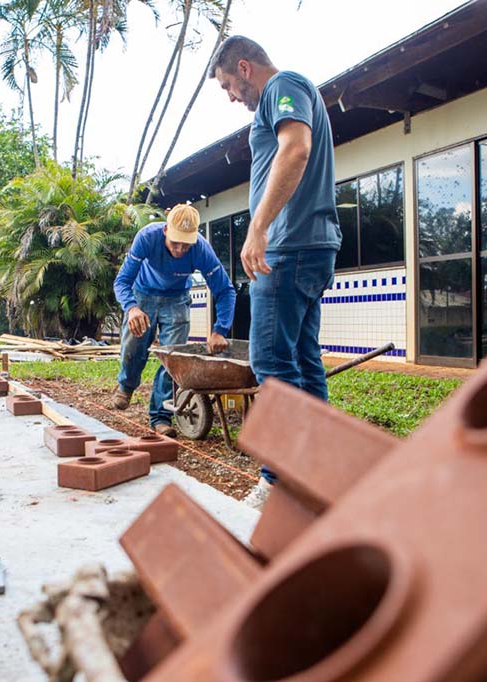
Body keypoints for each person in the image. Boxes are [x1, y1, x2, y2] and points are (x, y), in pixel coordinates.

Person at [209, 36, 342, 505]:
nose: (231, 97)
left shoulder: (283, 87)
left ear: (244, 68)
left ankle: (278, 483)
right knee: (302, 361)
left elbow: (296, 148)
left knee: (270, 362)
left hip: (289, 248)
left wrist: (259, 226)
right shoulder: (287, 93)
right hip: (307, 247)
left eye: (228, 85)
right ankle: (317, 475)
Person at [112, 203, 236, 437]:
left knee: (173, 359)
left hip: (177, 298)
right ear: (166, 230)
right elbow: (122, 281)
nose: (180, 249)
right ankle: (126, 386)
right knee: (133, 347)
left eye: (186, 244)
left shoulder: (201, 249)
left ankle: (160, 416)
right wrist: (131, 308)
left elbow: (225, 290)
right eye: (175, 242)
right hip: (142, 294)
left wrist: (220, 329)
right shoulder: (147, 238)